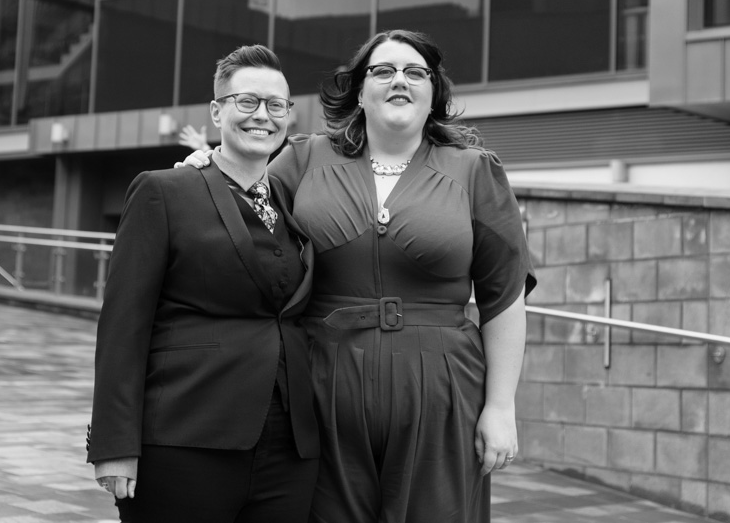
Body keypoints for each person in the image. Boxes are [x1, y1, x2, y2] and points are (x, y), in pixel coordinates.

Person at [185, 30, 535, 523]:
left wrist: (500, 407)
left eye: (415, 72)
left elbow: (505, 298)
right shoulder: (304, 158)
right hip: (323, 386)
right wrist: (206, 166)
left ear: (434, 91)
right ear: (359, 90)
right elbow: (240, 205)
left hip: (442, 389)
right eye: (383, 70)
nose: (399, 81)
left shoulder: (475, 171)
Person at [88, 45, 320, 523]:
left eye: (276, 105)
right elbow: (123, 325)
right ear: (217, 111)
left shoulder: (291, 199)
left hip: (288, 451)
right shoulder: (164, 191)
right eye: (247, 101)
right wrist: (114, 444)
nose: (263, 115)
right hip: (184, 439)